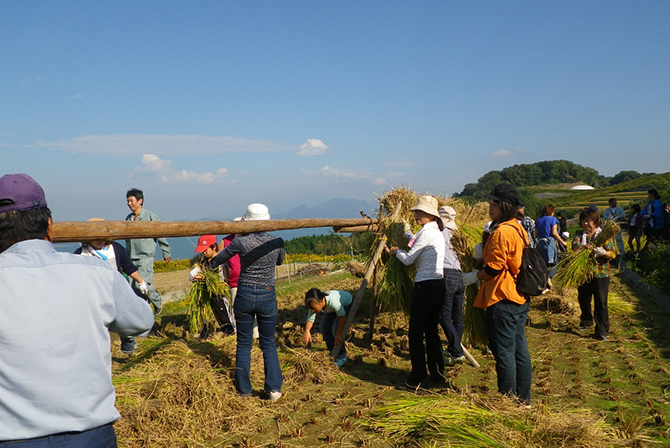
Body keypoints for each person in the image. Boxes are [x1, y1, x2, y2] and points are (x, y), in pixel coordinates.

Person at [0, 173, 154, 446]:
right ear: (49, 226)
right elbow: (142, 321)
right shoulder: (97, 274)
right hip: (91, 435)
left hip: (13, 438)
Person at [462, 183, 531, 405]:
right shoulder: (518, 228)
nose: (490, 207)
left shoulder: (502, 232)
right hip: (518, 296)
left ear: (505, 206)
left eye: (494, 204)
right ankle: (523, 400)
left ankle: (508, 402)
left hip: (502, 297)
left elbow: (495, 268)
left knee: (504, 353)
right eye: (490, 203)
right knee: (520, 351)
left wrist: (473, 276)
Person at [211, 203, 285, 401]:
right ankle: (274, 389)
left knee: (244, 344)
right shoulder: (277, 241)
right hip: (267, 294)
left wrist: (206, 267)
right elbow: (280, 262)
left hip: (243, 294)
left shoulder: (241, 243)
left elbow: (219, 258)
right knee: (268, 343)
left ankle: (243, 389)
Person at [389, 195, 446, 389]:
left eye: (419, 212)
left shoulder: (427, 233)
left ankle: (417, 378)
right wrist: (406, 233)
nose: (416, 215)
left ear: (430, 215)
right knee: (431, 332)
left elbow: (408, 259)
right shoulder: (435, 231)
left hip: (425, 286)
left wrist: (395, 251)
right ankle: (438, 375)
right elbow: (416, 243)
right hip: (439, 285)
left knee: (415, 332)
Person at [75, 218, 150, 355]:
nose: (100, 241)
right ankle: (101, 354)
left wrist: (141, 282)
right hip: (93, 295)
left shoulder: (116, 249)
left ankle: (128, 346)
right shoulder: (80, 254)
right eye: (96, 237)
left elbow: (128, 267)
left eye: (103, 237)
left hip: (116, 292)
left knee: (123, 320)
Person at [125, 188, 172, 315]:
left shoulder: (151, 217)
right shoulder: (128, 219)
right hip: (131, 257)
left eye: (131, 201)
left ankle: (158, 302)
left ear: (140, 201)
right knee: (133, 288)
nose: (129, 204)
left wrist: (166, 252)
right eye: (128, 201)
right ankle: (144, 311)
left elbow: (161, 234)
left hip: (145, 256)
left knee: (143, 283)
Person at [572, 208, 617, 341]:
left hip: (600, 274)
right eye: (583, 221)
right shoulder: (580, 235)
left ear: (596, 221)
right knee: (583, 299)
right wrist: (583, 248)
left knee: (601, 302)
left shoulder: (604, 236)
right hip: (583, 274)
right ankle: (586, 320)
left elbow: (613, 254)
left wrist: (603, 252)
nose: (586, 224)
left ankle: (602, 330)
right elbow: (574, 247)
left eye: (588, 221)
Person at [435, 206, 466, 366]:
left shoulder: (440, 234)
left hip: (447, 275)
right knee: (457, 316)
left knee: (444, 316)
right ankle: (454, 351)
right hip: (459, 276)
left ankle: (457, 351)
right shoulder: (456, 234)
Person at [189, 235, 236, 336]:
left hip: (219, 296)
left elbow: (221, 279)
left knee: (226, 320)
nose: (203, 252)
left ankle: (232, 336)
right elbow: (196, 273)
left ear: (214, 247)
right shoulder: (204, 262)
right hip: (209, 297)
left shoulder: (219, 261)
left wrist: (206, 279)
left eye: (205, 250)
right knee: (215, 318)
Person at [302, 288, 353, 367]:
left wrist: (337, 335)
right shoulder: (313, 304)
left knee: (336, 330)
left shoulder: (333, 301)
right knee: (323, 327)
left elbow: (342, 318)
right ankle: (333, 351)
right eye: (310, 308)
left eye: (313, 308)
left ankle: (342, 356)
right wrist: (307, 331)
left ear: (322, 301)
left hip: (346, 304)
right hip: (332, 309)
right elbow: (310, 319)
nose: (312, 310)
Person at [535, 204, 566, 284]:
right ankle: (549, 277)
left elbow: (535, 235)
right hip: (549, 243)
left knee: (543, 264)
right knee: (555, 264)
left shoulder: (538, 220)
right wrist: (562, 242)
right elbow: (554, 233)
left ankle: (541, 281)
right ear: (552, 211)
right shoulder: (553, 219)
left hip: (540, 243)